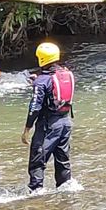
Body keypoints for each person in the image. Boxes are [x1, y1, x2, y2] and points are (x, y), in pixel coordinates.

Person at [21, 42, 75, 192]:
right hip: (66, 123)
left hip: (48, 126)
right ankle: (65, 191)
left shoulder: (41, 81)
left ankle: (36, 193)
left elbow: (35, 107)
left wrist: (27, 129)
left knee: (37, 160)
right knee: (62, 160)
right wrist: (37, 80)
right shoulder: (67, 74)